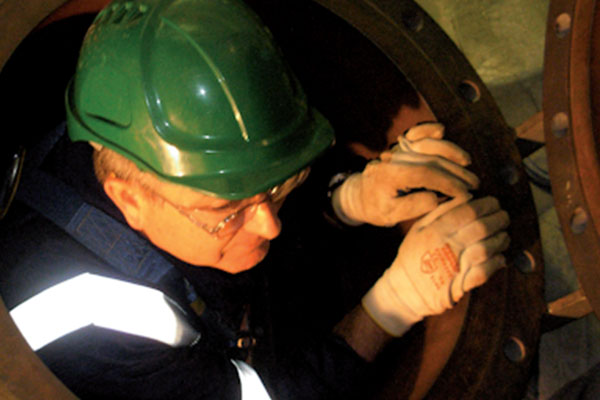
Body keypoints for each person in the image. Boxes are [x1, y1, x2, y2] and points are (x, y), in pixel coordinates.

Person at [1, 0, 510, 398]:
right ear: (127, 198)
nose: (270, 227)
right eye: (228, 214)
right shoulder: (86, 323)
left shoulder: (137, 138)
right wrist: (394, 304)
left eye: (278, 189)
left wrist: (346, 199)